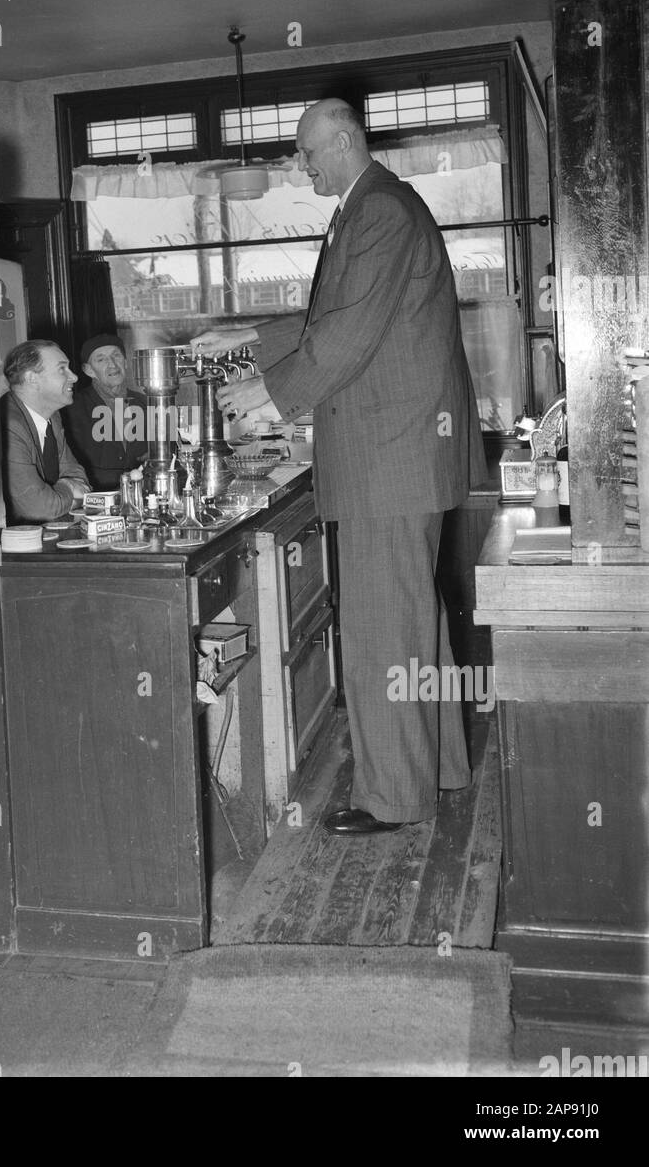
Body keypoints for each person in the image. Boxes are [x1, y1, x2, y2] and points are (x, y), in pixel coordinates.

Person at [192, 99, 486, 835]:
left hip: (389, 458)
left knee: (386, 627)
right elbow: (332, 315)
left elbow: (347, 332)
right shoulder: (375, 207)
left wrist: (271, 390)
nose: (304, 167)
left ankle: (393, 799)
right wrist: (248, 338)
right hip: (402, 457)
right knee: (413, 621)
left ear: (345, 140)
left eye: (308, 153)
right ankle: (438, 769)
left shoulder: (378, 211)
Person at [0, 339, 90, 523]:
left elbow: (77, 477)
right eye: (62, 369)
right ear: (32, 378)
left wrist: (63, 493)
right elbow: (39, 508)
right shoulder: (7, 424)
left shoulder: (52, 416)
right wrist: (68, 487)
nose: (74, 377)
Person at [63, 334, 148, 490]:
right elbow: (71, 465)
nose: (112, 365)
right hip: (94, 499)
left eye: (116, 356)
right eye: (101, 360)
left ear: (126, 362)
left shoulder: (146, 403)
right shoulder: (72, 409)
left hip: (143, 496)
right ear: (89, 370)